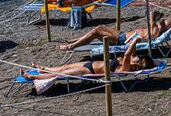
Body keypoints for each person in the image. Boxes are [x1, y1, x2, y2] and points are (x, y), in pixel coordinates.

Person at [23, 38, 154, 81]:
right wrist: (135, 42)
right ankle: (42, 68)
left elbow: (126, 55)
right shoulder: (131, 61)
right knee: (64, 67)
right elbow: (131, 53)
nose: (137, 55)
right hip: (91, 64)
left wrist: (135, 40)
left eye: (139, 57)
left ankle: (32, 77)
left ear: (138, 62)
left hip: (89, 71)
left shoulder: (127, 67)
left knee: (60, 74)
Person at [57, 11, 171, 51]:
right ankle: (76, 40)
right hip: (122, 35)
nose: (161, 21)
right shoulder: (156, 29)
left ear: (163, 28)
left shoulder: (155, 32)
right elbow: (153, 16)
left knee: (95, 32)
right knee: (99, 27)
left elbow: (152, 15)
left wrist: (156, 16)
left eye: (163, 22)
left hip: (121, 41)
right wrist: (158, 17)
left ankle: (71, 46)